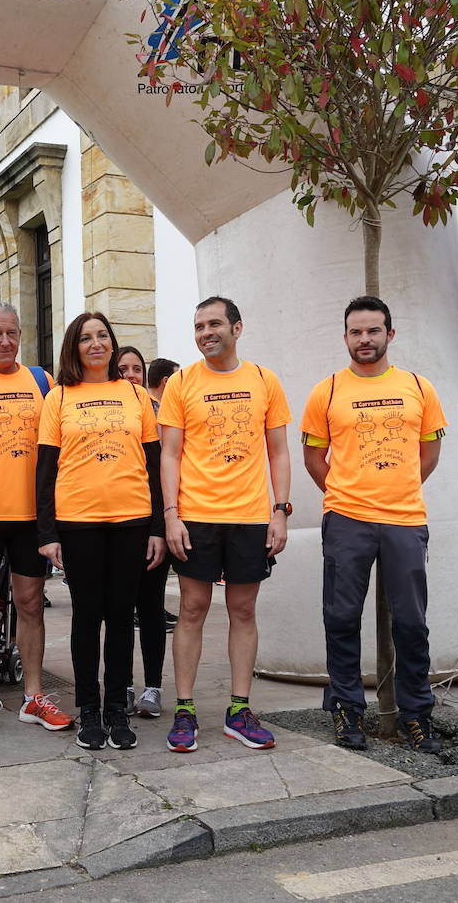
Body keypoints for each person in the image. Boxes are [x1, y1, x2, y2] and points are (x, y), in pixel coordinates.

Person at [300, 295, 446, 753]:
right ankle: (346, 712)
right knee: (341, 618)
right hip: (346, 519)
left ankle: (416, 715)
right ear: (345, 337)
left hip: (405, 519)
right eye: (356, 332)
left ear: (390, 334)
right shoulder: (325, 391)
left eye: (373, 331)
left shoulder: (420, 388)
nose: (365, 339)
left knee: (411, 623)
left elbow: (429, 454)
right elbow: (312, 457)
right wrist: (348, 495)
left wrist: (397, 489)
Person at [159, 297, 292, 753]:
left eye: (214, 324)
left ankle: (239, 709)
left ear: (237, 327)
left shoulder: (264, 380)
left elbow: (278, 452)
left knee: (243, 610)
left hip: (251, 516)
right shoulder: (180, 383)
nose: (205, 332)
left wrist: (281, 510)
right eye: (198, 326)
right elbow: (170, 454)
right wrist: (171, 515)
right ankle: (185, 708)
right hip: (196, 516)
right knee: (192, 609)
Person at [36, 313, 164, 751]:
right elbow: (46, 469)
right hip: (79, 522)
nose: (96, 344)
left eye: (103, 336)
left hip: (132, 520)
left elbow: (153, 465)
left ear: (112, 343)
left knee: (121, 619)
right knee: (87, 619)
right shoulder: (58, 398)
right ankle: (89, 710)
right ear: (74, 346)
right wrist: (48, 532)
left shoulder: (135, 394)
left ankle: (116, 710)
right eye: (86, 338)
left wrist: (158, 528)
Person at [0, 302, 72, 737]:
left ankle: (35, 696)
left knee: (30, 605)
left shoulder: (42, 382)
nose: (5, 342)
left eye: (12, 333)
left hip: (31, 517)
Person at [114, 345, 169, 719]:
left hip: (151, 524)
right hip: (116, 525)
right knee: (118, 610)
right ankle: (123, 684)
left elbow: (164, 474)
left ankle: (153, 686)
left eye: (137, 368)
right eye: (124, 368)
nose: (131, 374)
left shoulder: (162, 416)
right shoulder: (109, 415)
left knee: (151, 608)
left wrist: (162, 526)